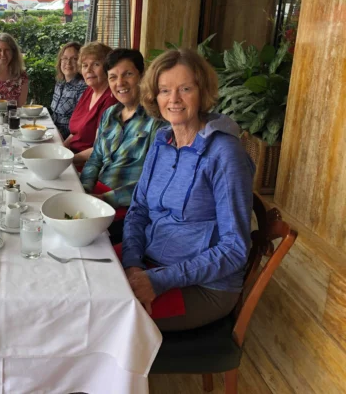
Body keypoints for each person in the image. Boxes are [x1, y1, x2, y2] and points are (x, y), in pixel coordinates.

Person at [121, 48, 255, 332]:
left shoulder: (224, 153)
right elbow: (138, 210)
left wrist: (158, 280)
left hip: (203, 287)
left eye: (185, 89)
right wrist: (133, 264)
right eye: (164, 90)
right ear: (154, 97)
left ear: (202, 91)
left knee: (105, 317)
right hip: (150, 262)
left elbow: (234, 249)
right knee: (81, 280)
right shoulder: (163, 141)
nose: (174, 99)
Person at [80, 48, 161, 244]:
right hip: (97, 197)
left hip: (127, 206)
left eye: (128, 74)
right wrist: (83, 189)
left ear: (142, 76)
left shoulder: (157, 121)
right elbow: (96, 158)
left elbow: (154, 180)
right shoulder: (110, 114)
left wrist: (106, 199)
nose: (120, 83)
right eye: (113, 77)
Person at [63, 42, 117, 167]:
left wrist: (66, 161)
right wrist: (59, 150)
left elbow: (99, 149)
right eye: (84, 65)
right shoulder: (89, 91)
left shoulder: (110, 100)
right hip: (72, 157)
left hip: (88, 165)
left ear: (107, 68)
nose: (88, 70)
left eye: (96, 64)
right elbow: (74, 133)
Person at [50, 42, 87, 139]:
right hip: (52, 133)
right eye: (65, 58)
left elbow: (80, 126)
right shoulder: (60, 83)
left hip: (66, 139)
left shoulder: (83, 87)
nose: (68, 62)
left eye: (74, 59)